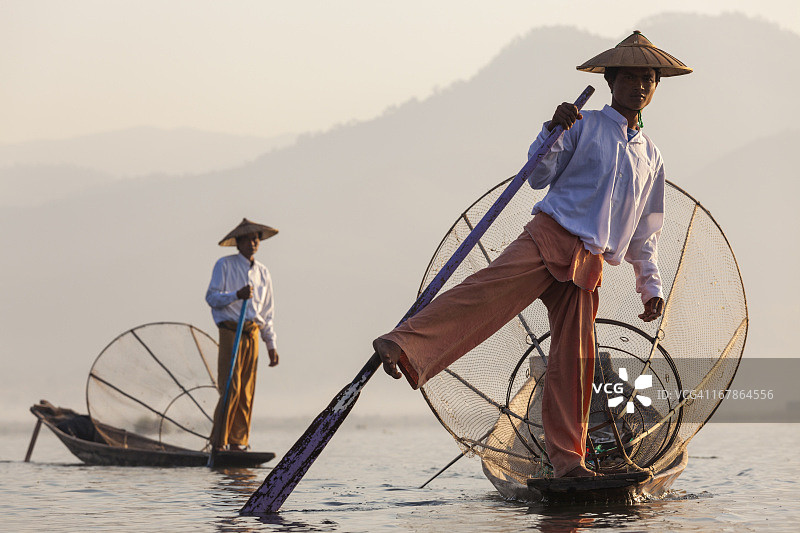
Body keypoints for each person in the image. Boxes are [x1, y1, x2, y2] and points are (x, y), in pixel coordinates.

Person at [373, 31, 691, 478]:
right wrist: (552, 129)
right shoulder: (584, 125)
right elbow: (538, 175)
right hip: (551, 236)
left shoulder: (652, 156)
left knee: (574, 364)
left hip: (589, 262)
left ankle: (568, 463)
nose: (641, 86)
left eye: (649, 79)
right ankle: (402, 344)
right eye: (632, 77)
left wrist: (650, 286)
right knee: (485, 296)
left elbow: (644, 233)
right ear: (612, 80)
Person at [206, 218, 281, 451]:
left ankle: (239, 443)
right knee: (231, 387)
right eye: (248, 239)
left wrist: (271, 344)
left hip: (252, 333)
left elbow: (267, 312)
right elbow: (212, 298)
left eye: (256, 239)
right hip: (231, 331)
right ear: (238, 243)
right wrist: (236, 295)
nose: (253, 243)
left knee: (247, 391)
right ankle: (219, 443)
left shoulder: (263, 272)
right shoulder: (224, 265)